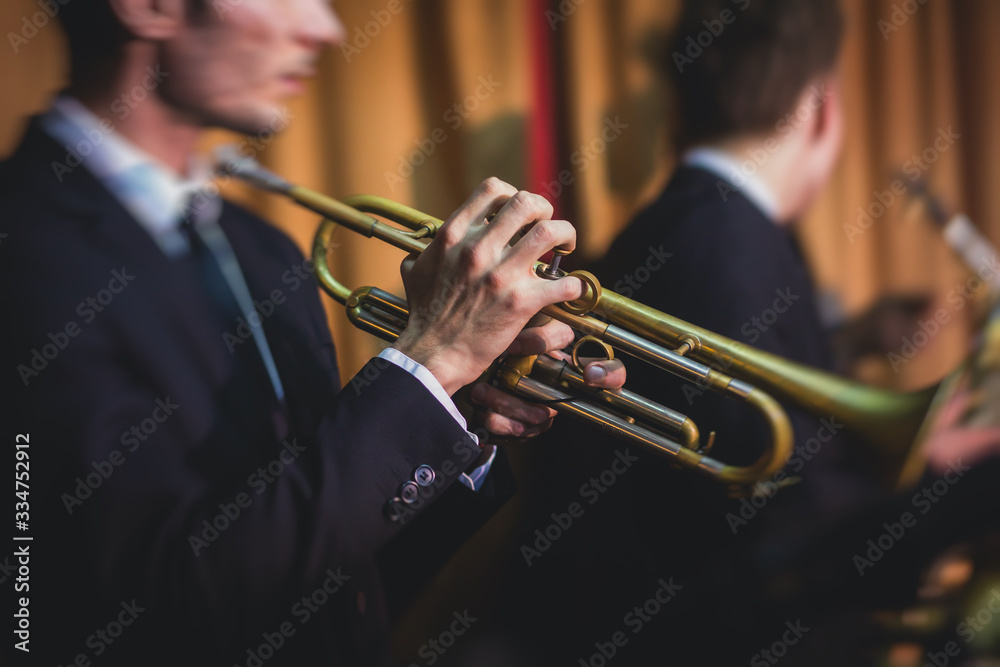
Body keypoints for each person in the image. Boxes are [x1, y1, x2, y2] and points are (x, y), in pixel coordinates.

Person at [0, 1, 625, 665]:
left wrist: (450, 411)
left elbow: (333, 581)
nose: (324, 29)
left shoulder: (260, 247)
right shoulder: (22, 245)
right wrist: (432, 360)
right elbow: (162, 607)